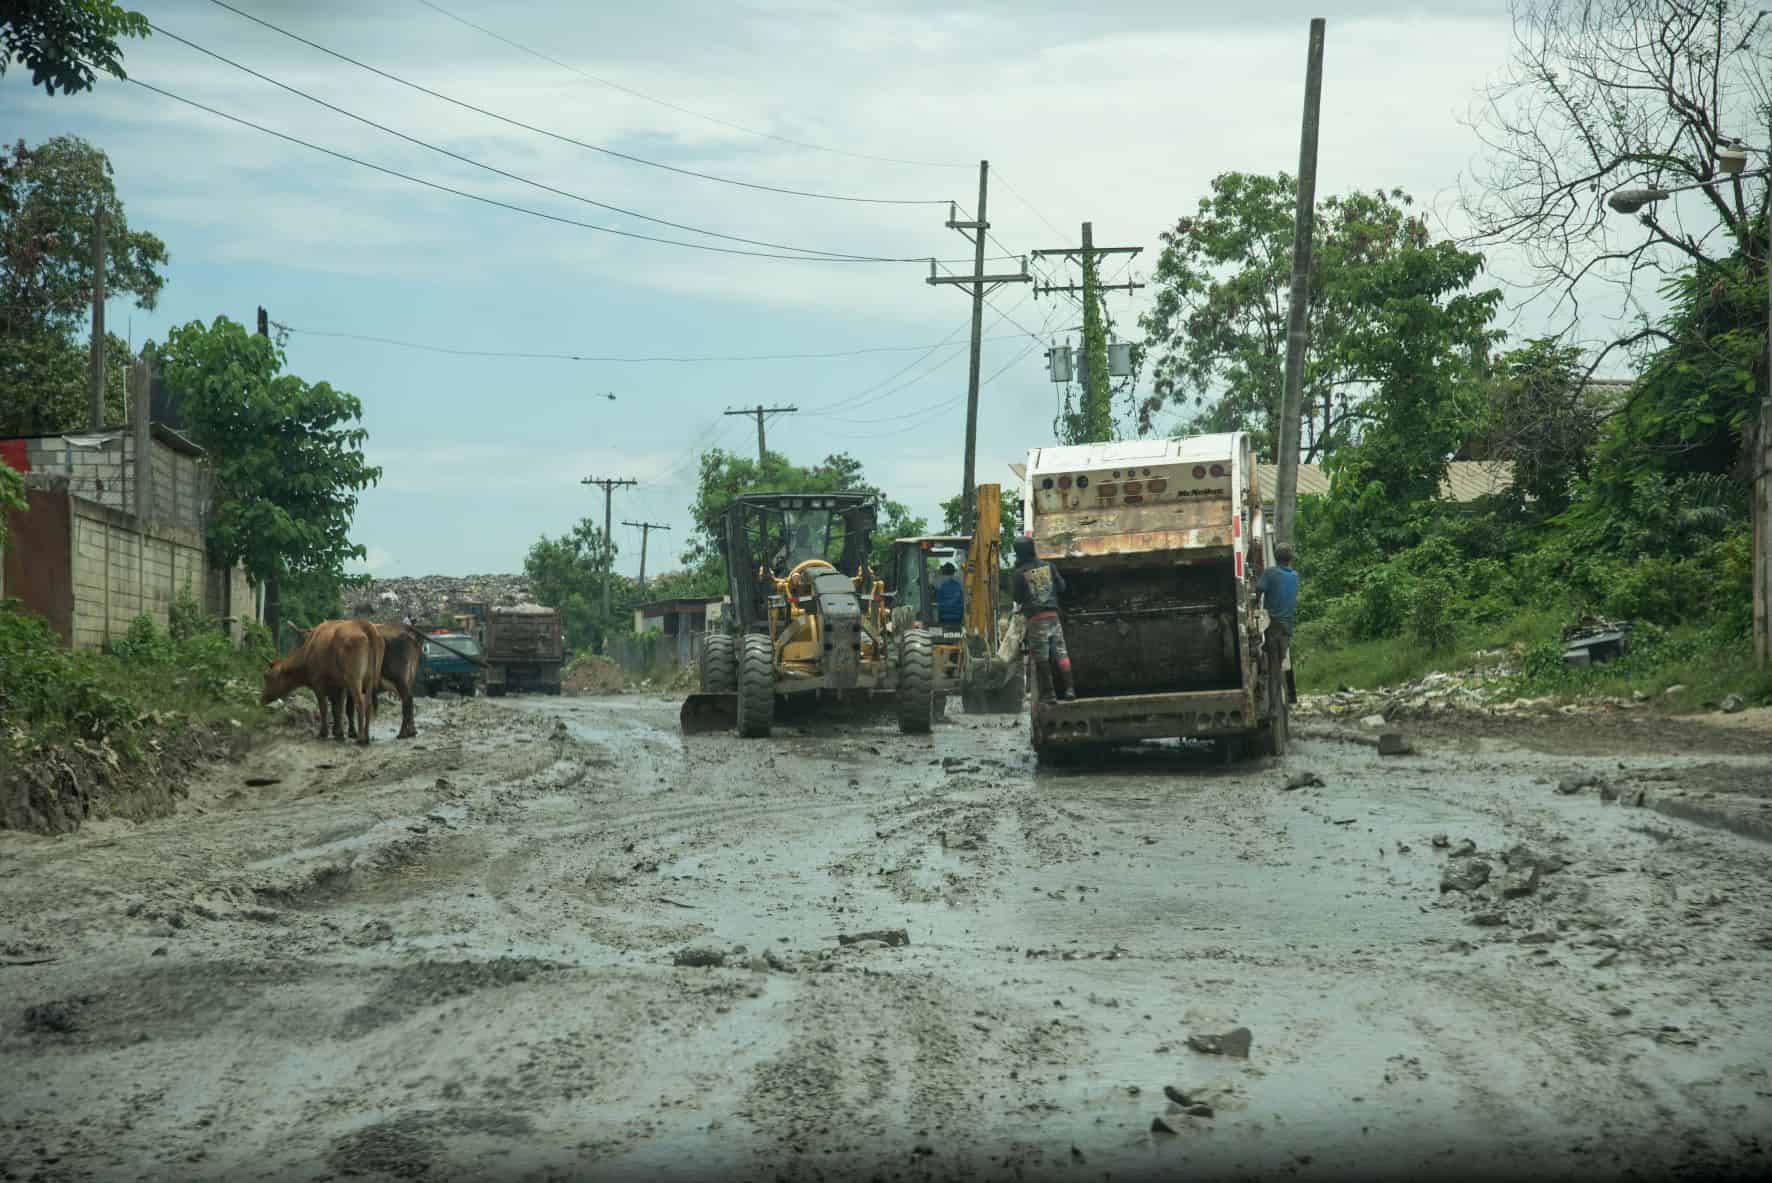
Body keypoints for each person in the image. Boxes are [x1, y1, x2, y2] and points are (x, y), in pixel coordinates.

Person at [1012, 536, 1075, 703]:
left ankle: (1049, 694)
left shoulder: (1020, 573)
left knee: (1042, 656)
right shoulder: (1049, 566)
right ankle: (1070, 689)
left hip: (1035, 618)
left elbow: (1017, 598)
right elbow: (1062, 587)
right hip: (1053, 616)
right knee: (1061, 652)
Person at [1254, 543, 1299, 663]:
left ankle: (1275, 681)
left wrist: (1256, 605)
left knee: (1273, 663)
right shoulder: (1295, 576)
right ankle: (1281, 679)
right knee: (1281, 661)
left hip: (1273, 625)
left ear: (1275, 557)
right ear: (1290, 558)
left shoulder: (1270, 573)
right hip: (1287, 625)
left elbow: (1258, 590)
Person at [934, 561, 964, 628]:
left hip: (943, 615)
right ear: (953, 571)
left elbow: (936, 595)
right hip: (958, 615)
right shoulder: (959, 581)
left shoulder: (938, 581)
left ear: (943, 571)